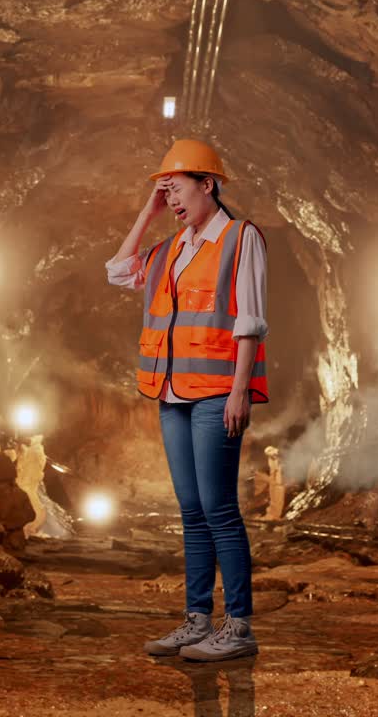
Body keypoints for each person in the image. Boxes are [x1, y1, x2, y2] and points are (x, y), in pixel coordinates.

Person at [106, 139, 268, 662]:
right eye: (165, 192)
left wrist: (240, 390)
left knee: (220, 508)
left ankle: (237, 626)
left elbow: (249, 321)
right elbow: (117, 270)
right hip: (171, 392)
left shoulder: (242, 239)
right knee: (192, 510)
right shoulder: (173, 247)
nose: (172, 200)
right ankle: (197, 620)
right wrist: (147, 212)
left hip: (217, 393)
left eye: (177, 189)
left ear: (209, 184)